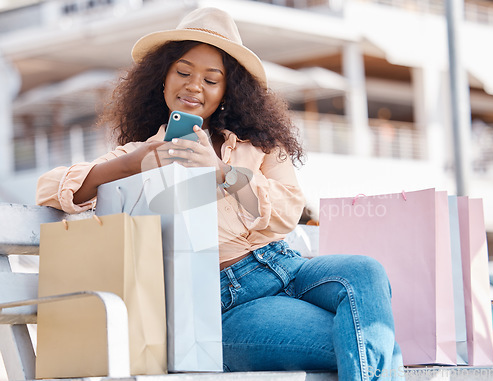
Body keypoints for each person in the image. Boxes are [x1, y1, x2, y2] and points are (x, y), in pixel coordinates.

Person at [36, 7, 404, 380]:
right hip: (224, 306)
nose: (195, 86)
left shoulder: (257, 144)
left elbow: (289, 210)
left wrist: (223, 173)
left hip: (288, 267)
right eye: (183, 72)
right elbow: (49, 188)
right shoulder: (141, 155)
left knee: (366, 272)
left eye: (212, 80)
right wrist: (132, 163)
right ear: (161, 80)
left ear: (228, 91)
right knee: (367, 338)